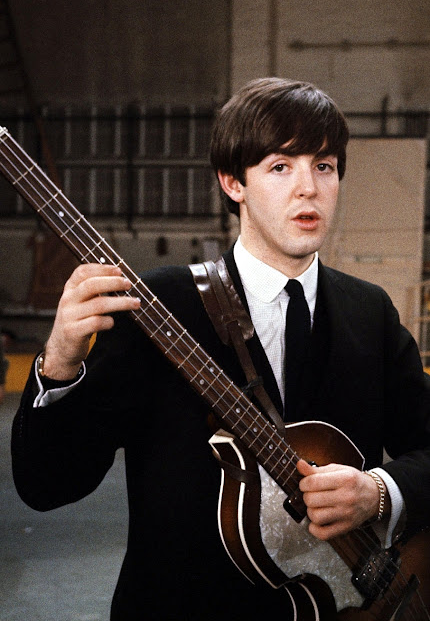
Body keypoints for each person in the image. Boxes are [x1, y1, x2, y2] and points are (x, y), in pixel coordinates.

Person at [11, 78, 430, 620]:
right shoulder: (159, 305)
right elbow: (46, 485)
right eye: (281, 167)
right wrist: (60, 363)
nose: (308, 187)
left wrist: (379, 491)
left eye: (323, 166)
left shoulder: (368, 312)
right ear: (234, 182)